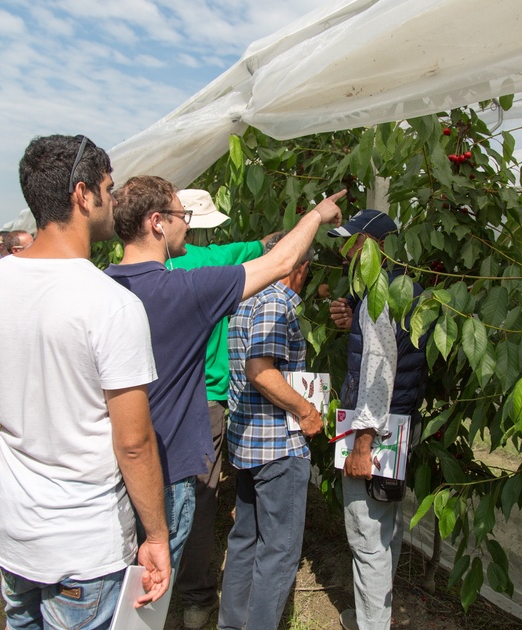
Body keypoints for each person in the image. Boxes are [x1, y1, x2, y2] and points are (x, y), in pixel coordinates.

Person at [0, 134, 171, 630]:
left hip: (14, 524)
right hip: (82, 541)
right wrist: (156, 534)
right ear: (83, 194)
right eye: (108, 190)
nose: (111, 202)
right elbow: (133, 442)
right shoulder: (110, 303)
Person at [105, 177, 344, 573]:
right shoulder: (187, 288)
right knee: (147, 586)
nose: (187, 224)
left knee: (120, 578)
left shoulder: (101, 286)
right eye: (182, 215)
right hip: (167, 459)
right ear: (158, 222)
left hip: (112, 466)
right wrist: (317, 215)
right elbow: (280, 261)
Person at [172, 190, 273, 630]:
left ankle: (144, 585)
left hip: (152, 398)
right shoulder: (221, 261)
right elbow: (273, 246)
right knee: (200, 496)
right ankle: (194, 599)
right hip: (205, 402)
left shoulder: (141, 267)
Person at [327, 210, 429, 630]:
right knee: (385, 530)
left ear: (377, 247)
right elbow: (397, 353)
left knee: (366, 536)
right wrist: (357, 325)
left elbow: (379, 372)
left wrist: (362, 445)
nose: (345, 250)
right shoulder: (407, 293)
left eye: (353, 242)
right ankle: (374, 620)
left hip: (377, 431)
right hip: (402, 425)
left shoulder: (378, 299)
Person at [217, 235, 321, 630]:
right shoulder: (276, 302)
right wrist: (306, 410)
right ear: (297, 265)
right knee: (279, 551)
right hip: (278, 447)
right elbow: (262, 370)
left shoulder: (245, 299)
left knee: (246, 538)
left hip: (248, 442)